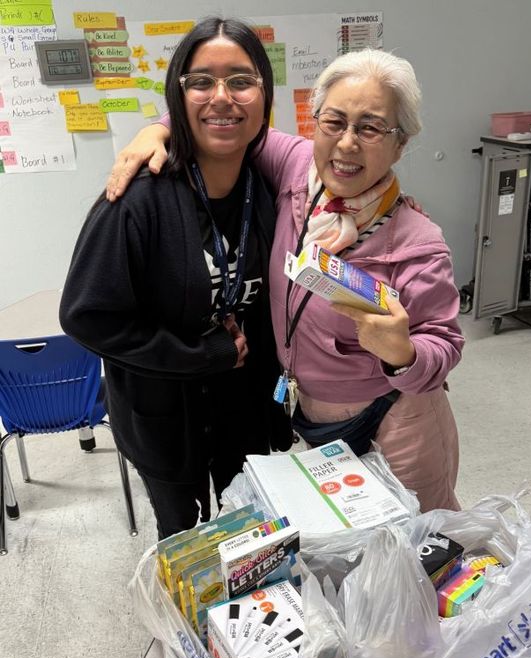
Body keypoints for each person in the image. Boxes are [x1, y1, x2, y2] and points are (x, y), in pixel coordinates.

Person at [106, 47, 464, 512]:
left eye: (371, 127)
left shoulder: (418, 242)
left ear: (401, 143)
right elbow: (230, 123)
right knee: (348, 548)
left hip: (394, 420)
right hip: (310, 417)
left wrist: (404, 354)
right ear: (315, 123)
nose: (348, 143)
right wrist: (156, 129)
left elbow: (446, 346)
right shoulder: (299, 170)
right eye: (334, 122)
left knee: (419, 548)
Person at [60, 18, 292, 539]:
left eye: (241, 80)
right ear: (178, 95)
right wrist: (197, 355)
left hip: (246, 408)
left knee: (252, 535)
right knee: (183, 543)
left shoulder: (273, 190)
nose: (222, 97)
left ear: (264, 95)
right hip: (164, 415)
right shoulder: (139, 200)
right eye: (202, 82)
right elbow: (86, 316)